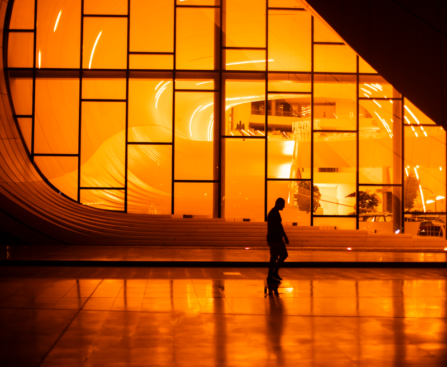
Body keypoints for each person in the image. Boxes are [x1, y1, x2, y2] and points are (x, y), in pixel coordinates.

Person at [266, 198, 289, 282]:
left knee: (283, 255)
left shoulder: (274, 212)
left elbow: (279, 226)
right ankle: (270, 276)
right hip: (275, 238)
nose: (284, 206)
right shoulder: (274, 213)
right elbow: (278, 226)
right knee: (274, 257)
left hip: (277, 238)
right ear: (278, 203)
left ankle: (274, 273)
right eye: (283, 204)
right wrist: (285, 236)